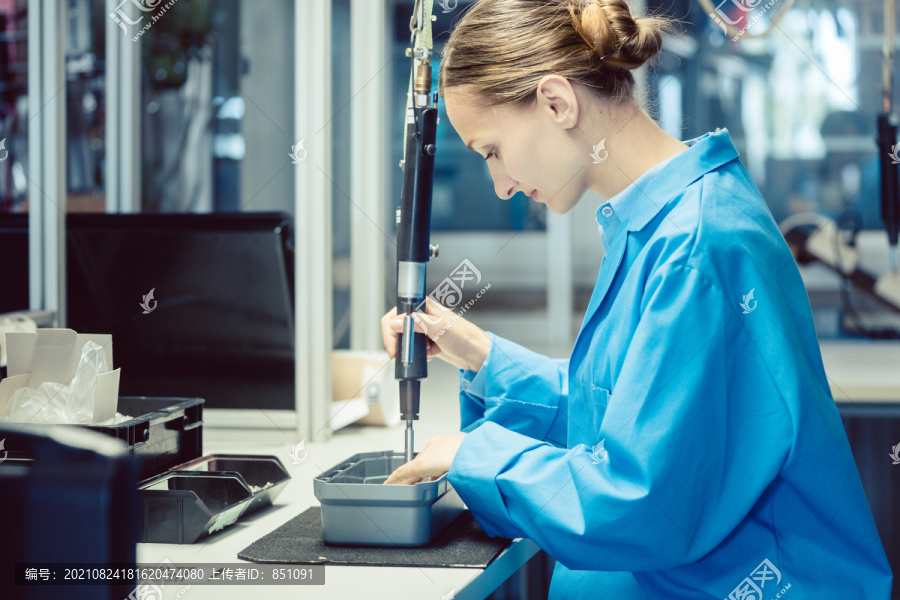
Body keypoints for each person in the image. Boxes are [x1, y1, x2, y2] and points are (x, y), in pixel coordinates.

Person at [381, 0, 893, 598]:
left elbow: (641, 501)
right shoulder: (656, 224)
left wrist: (477, 454)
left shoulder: (696, 246)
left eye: (491, 150)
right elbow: (631, 418)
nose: (500, 186)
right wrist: (486, 359)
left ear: (556, 102)